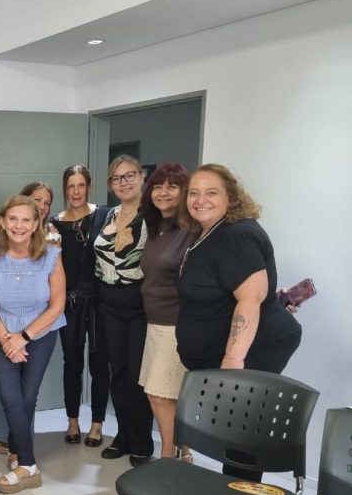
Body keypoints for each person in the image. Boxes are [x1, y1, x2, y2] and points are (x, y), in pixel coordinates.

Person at [176, 164, 301, 373]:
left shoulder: (235, 235)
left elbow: (251, 299)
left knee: (238, 408)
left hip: (243, 359)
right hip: (212, 357)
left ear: (231, 198)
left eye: (211, 193)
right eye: (193, 193)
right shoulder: (209, 231)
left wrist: (232, 363)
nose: (200, 200)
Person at [0, 195, 66, 493]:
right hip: (2, 334)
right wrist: (7, 339)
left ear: (36, 224)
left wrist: (23, 337)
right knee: (10, 397)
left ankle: (19, 454)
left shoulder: (52, 255)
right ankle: (29, 465)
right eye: (12, 219)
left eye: (26, 219)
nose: (19, 225)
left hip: (40, 335)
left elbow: (57, 305)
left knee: (28, 396)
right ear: (2, 221)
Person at [93, 155, 155, 467]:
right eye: (117, 178)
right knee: (116, 372)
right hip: (108, 303)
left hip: (140, 305)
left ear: (142, 177)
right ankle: (123, 435)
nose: (124, 182)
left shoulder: (154, 216)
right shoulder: (107, 215)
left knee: (137, 375)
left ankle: (142, 440)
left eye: (130, 175)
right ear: (110, 184)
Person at [138, 163, 196, 460]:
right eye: (158, 186)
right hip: (155, 323)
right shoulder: (157, 227)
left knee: (161, 394)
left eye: (172, 186)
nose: (163, 192)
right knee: (160, 393)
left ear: (184, 191)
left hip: (176, 324)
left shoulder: (191, 229)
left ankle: (168, 458)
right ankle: (181, 454)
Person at [50, 165, 110, 448]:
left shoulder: (104, 215)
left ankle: (97, 423)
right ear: (65, 189)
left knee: (99, 363)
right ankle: (72, 421)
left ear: (89, 186)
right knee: (71, 362)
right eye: (70, 186)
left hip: (99, 301)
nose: (76, 191)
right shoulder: (54, 223)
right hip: (68, 303)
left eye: (81, 185)